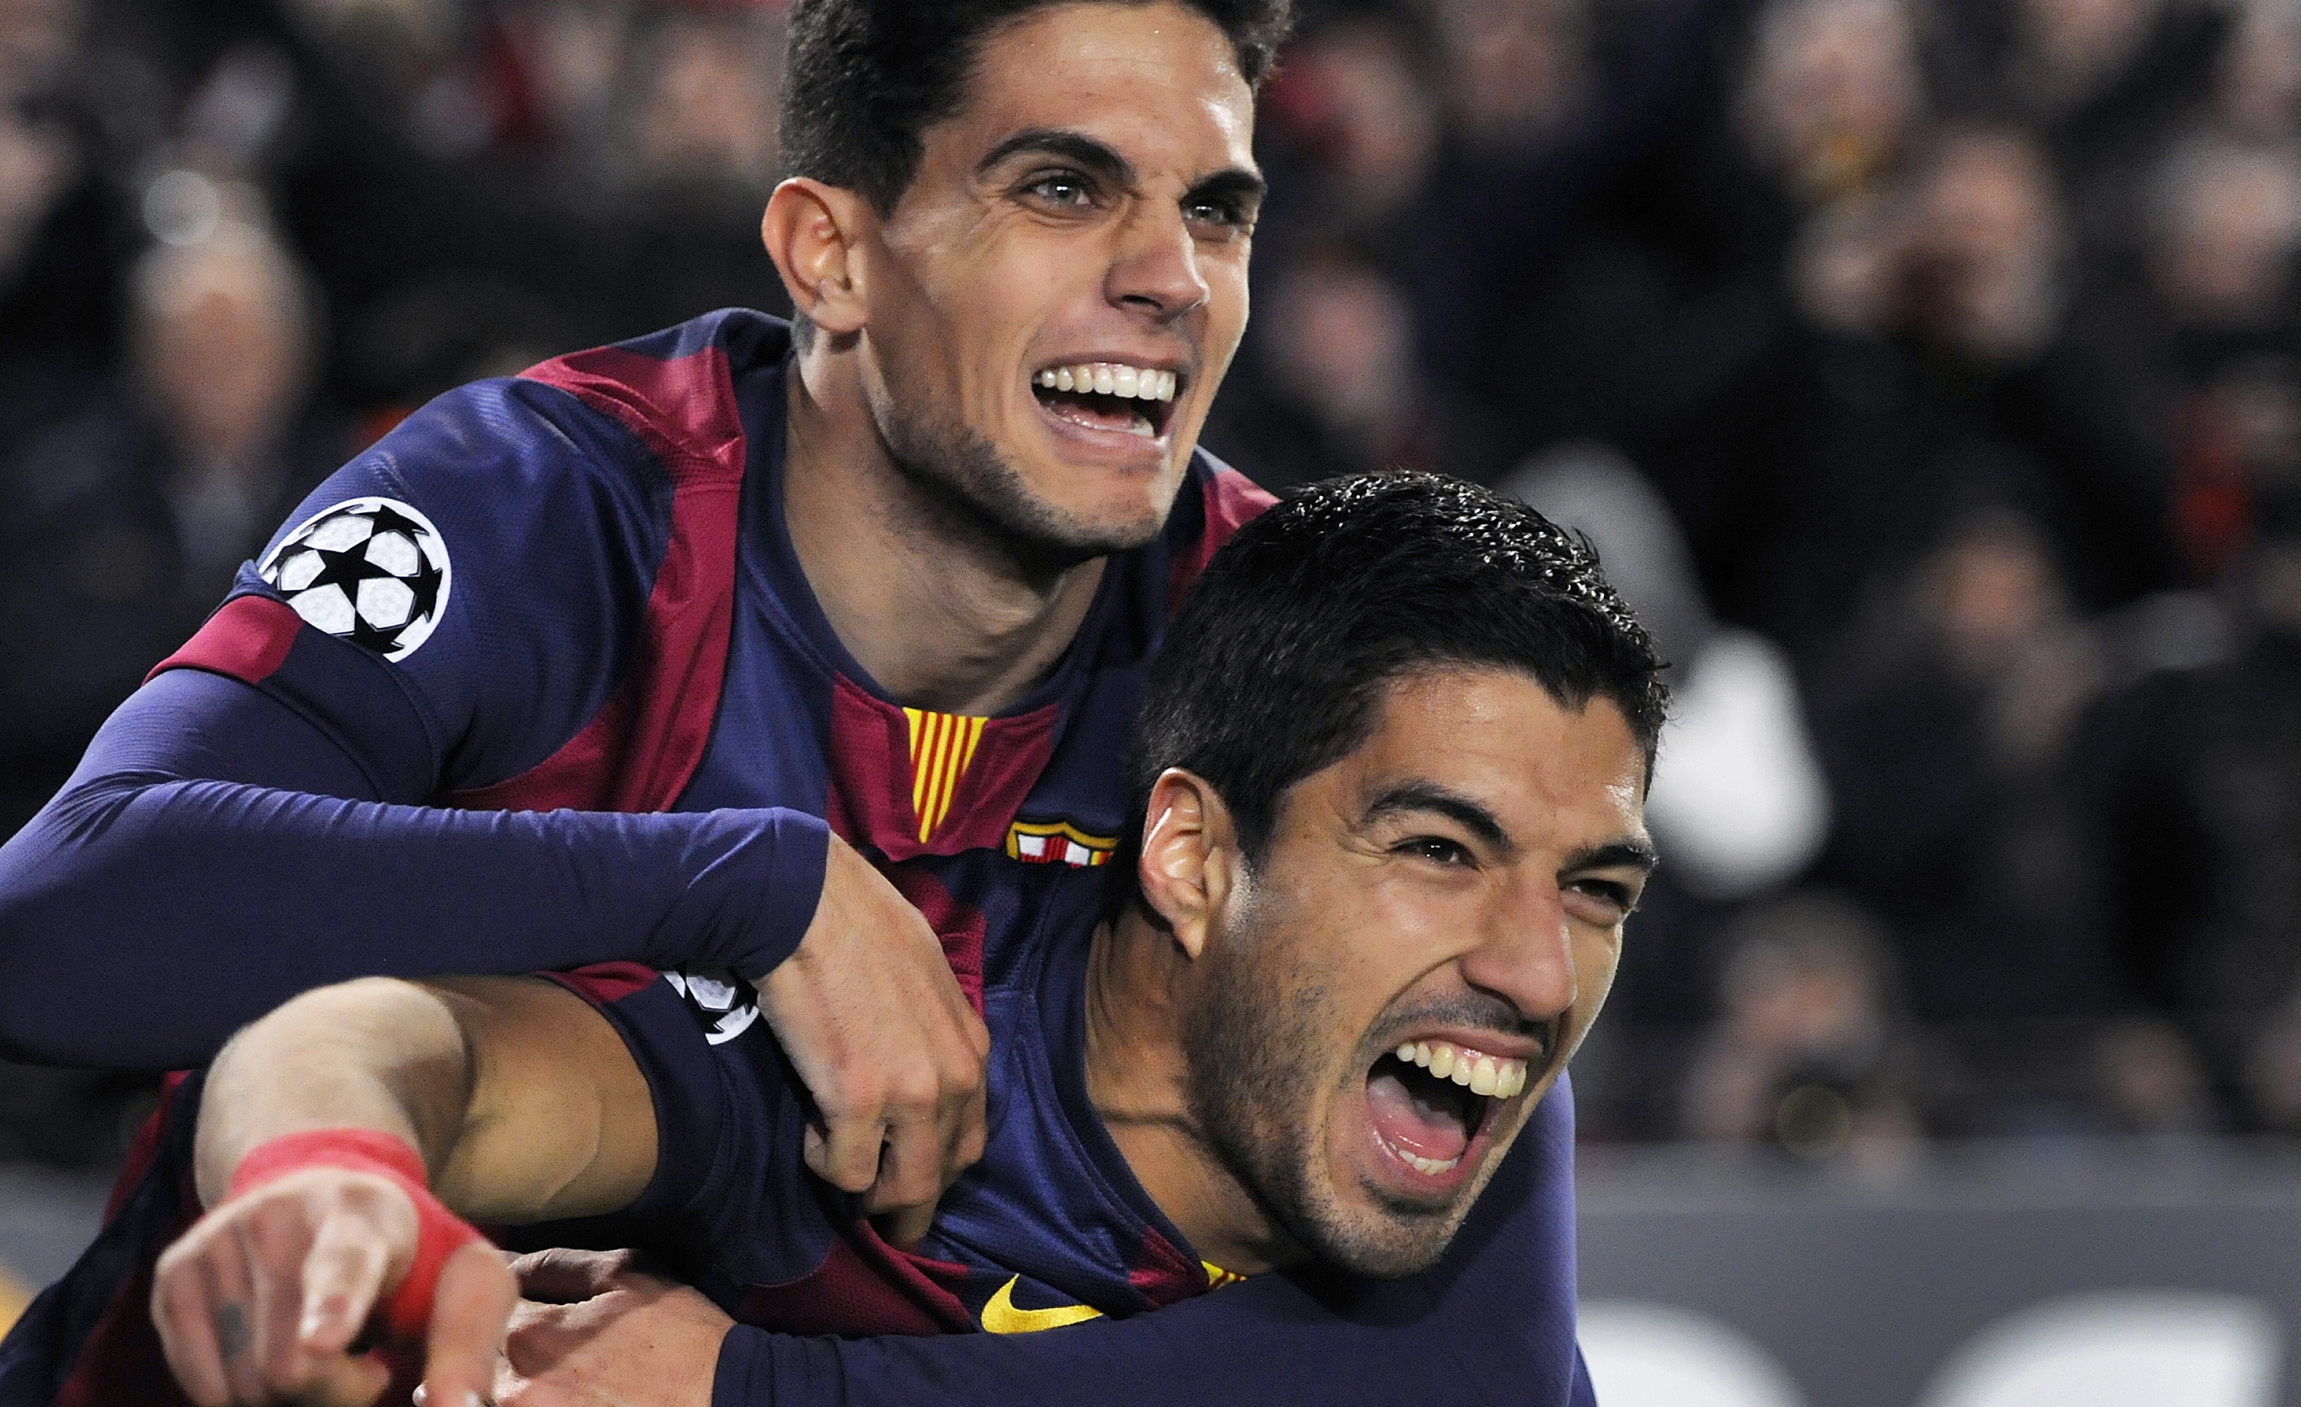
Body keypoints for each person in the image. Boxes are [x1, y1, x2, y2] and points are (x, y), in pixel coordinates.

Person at [0, 3, 1598, 1404]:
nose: (1172, 276)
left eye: (1218, 212)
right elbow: (62, 929)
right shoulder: (553, 512)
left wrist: (755, 1390)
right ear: (833, 255)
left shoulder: (1291, 649)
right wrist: (744, 883)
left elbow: (1487, 1355)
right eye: (1062, 186)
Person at [142, 473, 1661, 1407]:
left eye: (1596, 889)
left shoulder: (1457, 1117)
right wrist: (320, 1174)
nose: (1535, 973)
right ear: (1195, 858)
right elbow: (398, 1048)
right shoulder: (884, 1052)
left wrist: (754, 1390)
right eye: (1440, 852)